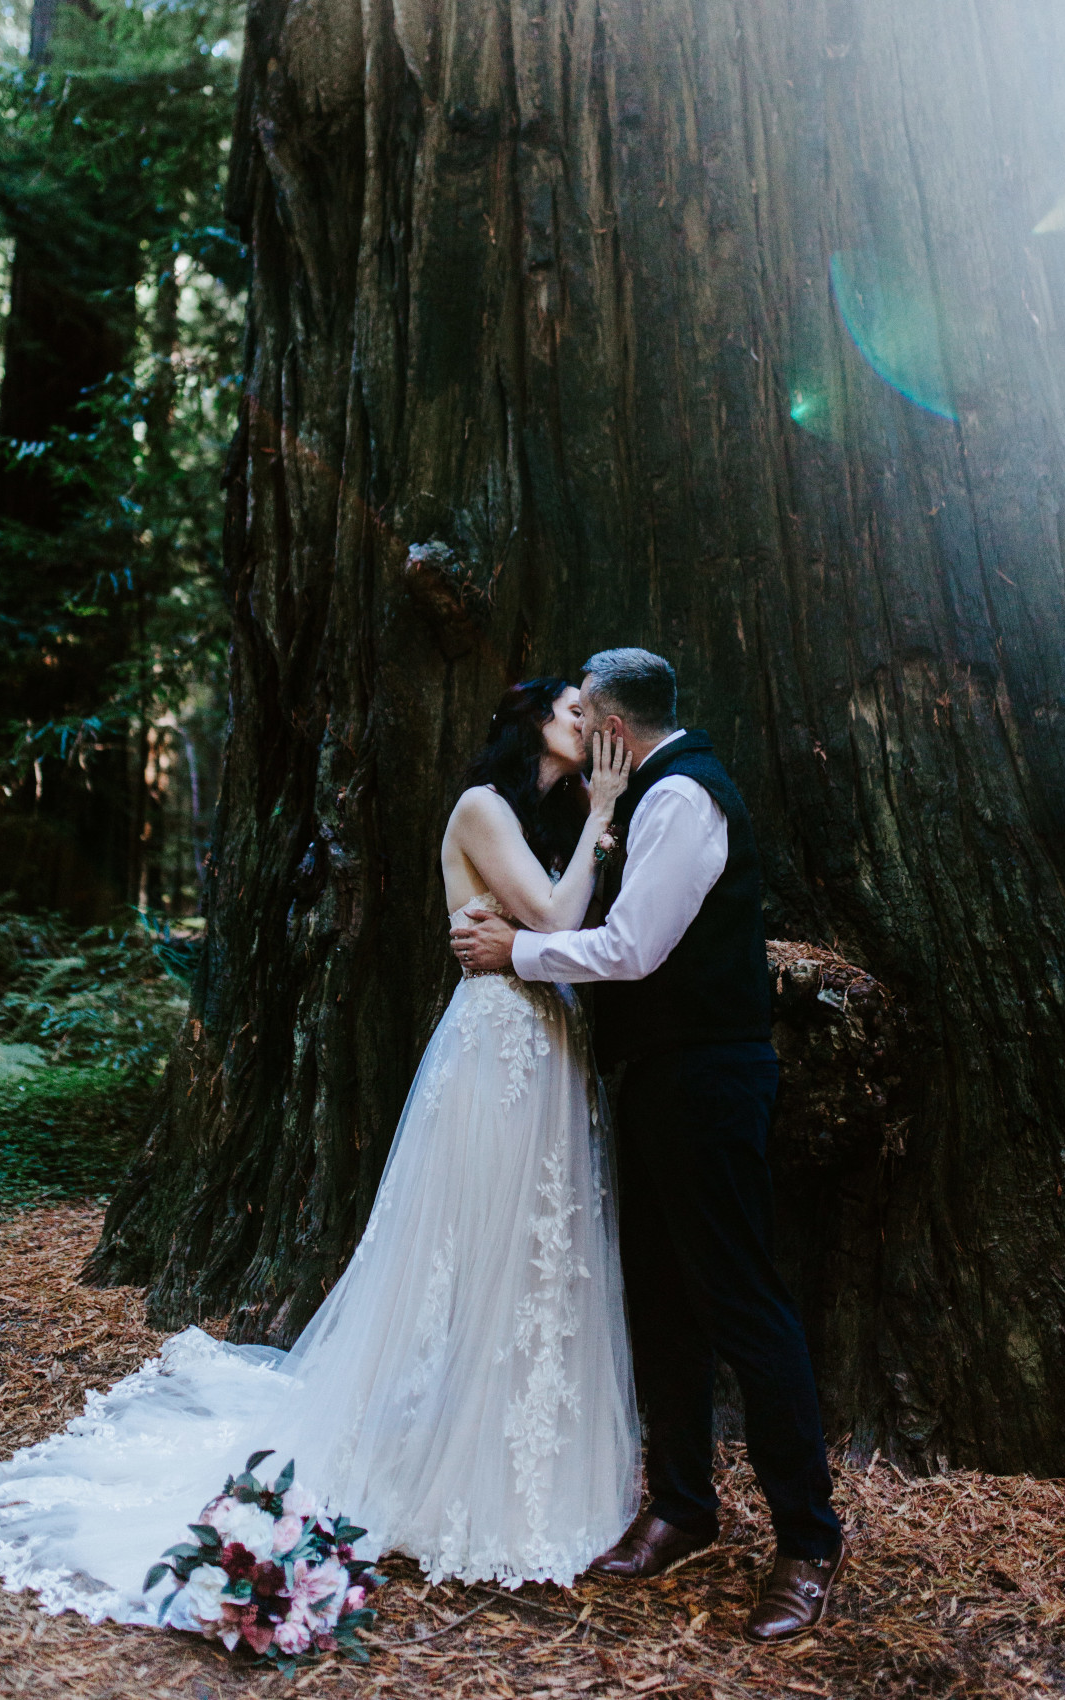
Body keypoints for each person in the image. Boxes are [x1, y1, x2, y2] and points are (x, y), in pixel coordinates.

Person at [0, 679, 641, 1620]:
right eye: (564, 704)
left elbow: (561, 927)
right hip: (493, 1054)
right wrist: (600, 812)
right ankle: (429, 1462)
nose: (580, 714)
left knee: (531, 1257)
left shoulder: (535, 827)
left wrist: (584, 844)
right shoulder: (482, 807)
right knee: (465, 1254)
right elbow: (560, 924)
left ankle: (512, 1461)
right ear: (525, 725)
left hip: (542, 1048)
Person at [451, 647, 849, 1642]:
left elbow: (630, 949)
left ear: (612, 735)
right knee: (662, 1300)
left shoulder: (681, 801)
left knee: (743, 1306)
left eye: (585, 714)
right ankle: (680, 1507)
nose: (575, 723)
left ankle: (806, 1542)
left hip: (710, 1078)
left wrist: (520, 953)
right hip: (659, 1079)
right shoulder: (639, 791)